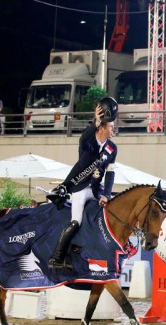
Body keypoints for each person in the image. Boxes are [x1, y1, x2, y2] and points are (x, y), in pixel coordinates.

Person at [47, 99, 118, 270]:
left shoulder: (112, 149)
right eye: (111, 127)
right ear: (102, 127)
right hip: (79, 187)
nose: (113, 129)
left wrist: (106, 195)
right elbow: (85, 136)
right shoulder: (88, 141)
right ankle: (57, 258)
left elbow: (110, 174)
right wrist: (96, 121)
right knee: (76, 221)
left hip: (95, 189)